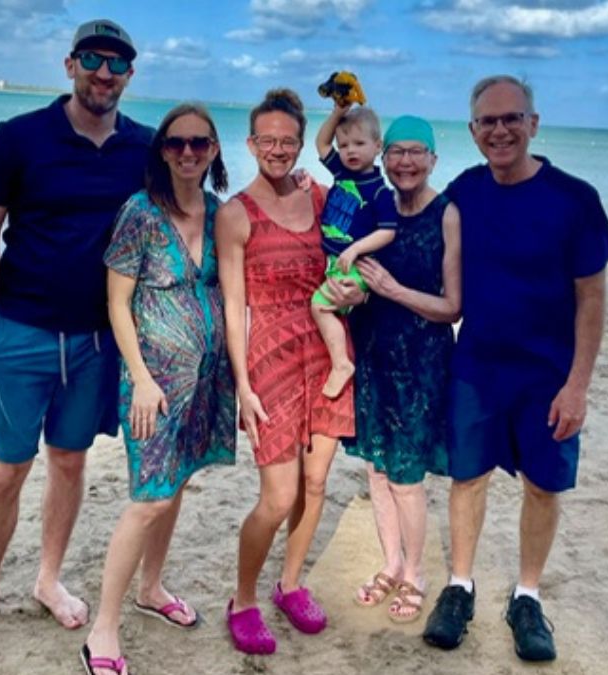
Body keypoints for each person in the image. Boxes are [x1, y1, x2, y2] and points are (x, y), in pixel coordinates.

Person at [0, 19, 152, 653]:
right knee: (5, 471)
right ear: (69, 64)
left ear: (130, 76)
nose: (104, 72)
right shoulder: (16, 139)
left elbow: (198, 199)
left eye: (117, 63)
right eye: (92, 58)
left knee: (68, 461)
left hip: (94, 341)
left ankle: (49, 579)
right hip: (21, 331)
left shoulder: (143, 148)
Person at [421, 75, 608, 662]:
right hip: (478, 364)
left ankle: (527, 595)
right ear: (474, 131)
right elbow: (407, 213)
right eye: (488, 121)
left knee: (543, 484)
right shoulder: (464, 191)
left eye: (512, 118)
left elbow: (593, 299)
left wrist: (578, 385)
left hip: (549, 374)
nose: (501, 130)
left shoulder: (575, 199)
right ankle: (460, 585)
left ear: (533, 123)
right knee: (468, 478)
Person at [80, 103, 235, 675]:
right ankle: (103, 627)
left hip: (206, 380)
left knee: (177, 484)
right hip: (154, 385)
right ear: (162, 152)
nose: (188, 152)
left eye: (199, 142)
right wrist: (141, 379)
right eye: (176, 144)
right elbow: (117, 303)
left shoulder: (219, 214)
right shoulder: (141, 214)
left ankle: (151, 588)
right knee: (149, 500)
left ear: (215, 149)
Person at [216, 88, 359, 656]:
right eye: (267, 140)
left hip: (327, 351)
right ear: (251, 143)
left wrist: (359, 293)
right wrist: (243, 386)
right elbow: (233, 306)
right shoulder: (235, 214)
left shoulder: (322, 198)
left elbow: (357, 250)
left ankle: (291, 583)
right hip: (270, 358)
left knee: (317, 483)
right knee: (278, 496)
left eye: (288, 141)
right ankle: (244, 599)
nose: (277, 149)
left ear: (302, 145)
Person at [343, 115, 461, 624]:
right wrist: (351, 293)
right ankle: (391, 562)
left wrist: (391, 290)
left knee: (408, 479)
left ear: (433, 158)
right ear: (382, 157)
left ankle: (415, 573)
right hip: (372, 355)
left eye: (417, 152)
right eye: (396, 152)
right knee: (376, 469)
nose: (405, 162)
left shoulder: (447, 214)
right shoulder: (376, 207)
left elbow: (452, 306)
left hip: (421, 364)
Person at [310, 103, 399, 398]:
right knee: (326, 307)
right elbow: (321, 143)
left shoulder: (378, 190)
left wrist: (355, 249)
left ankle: (341, 364)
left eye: (359, 144)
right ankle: (337, 360)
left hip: (356, 265)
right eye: (344, 144)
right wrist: (337, 113)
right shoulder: (342, 172)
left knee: (319, 305)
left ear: (378, 146)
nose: (350, 151)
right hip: (335, 260)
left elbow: (388, 230)